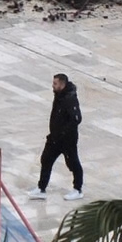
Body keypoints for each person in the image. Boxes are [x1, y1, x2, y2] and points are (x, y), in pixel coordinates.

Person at [28, 73, 84, 201]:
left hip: (67, 140)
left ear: (62, 84)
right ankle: (41, 188)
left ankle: (78, 189)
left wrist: (64, 132)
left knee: (73, 162)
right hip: (54, 138)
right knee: (46, 159)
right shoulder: (59, 95)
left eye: (55, 83)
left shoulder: (70, 99)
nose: (53, 86)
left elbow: (76, 119)